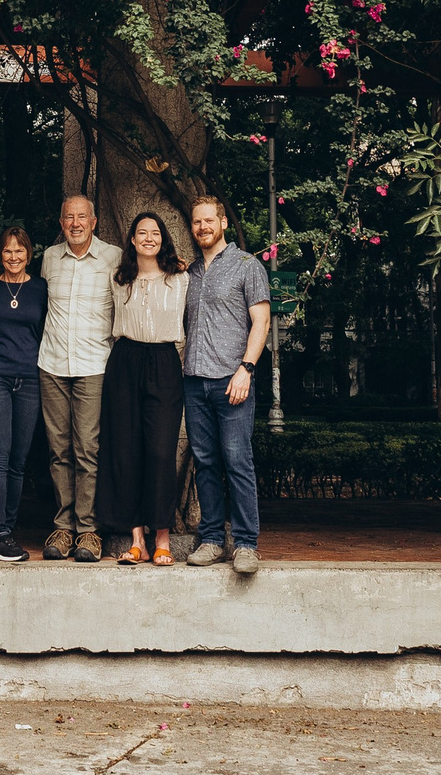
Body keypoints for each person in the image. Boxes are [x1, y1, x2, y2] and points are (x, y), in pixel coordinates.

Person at [181, 193, 270, 575]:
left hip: (232, 380)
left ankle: (247, 545)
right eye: (197, 222)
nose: (202, 227)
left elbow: (262, 322)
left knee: (237, 462)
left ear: (223, 223)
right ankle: (213, 539)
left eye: (208, 221)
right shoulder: (188, 273)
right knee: (205, 463)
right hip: (193, 381)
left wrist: (246, 369)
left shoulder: (247, 265)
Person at [97, 211, 189, 566]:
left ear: (163, 240)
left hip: (165, 362)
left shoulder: (181, 278)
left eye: (155, 233)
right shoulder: (118, 279)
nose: (148, 238)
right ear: (132, 240)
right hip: (125, 360)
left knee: (162, 452)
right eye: (141, 232)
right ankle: (138, 540)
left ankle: (162, 535)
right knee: (126, 450)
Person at [38, 194, 119, 561]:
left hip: (93, 365)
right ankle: (63, 527)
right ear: (61, 222)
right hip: (52, 364)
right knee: (59, 451)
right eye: (68, 217)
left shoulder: (113, 257)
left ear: (94, 221)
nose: (75, 223)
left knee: (88, 449)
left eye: (81, 217)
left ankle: (88, 531)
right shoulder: (50, 258)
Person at [0, 227, 47, 562]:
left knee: (18, 460)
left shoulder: (41, 288)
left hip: (29, 378)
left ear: (29, 254)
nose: (13, 257)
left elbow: (47, 329)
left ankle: (7, 533)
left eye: (19, 251)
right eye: (7, 251)